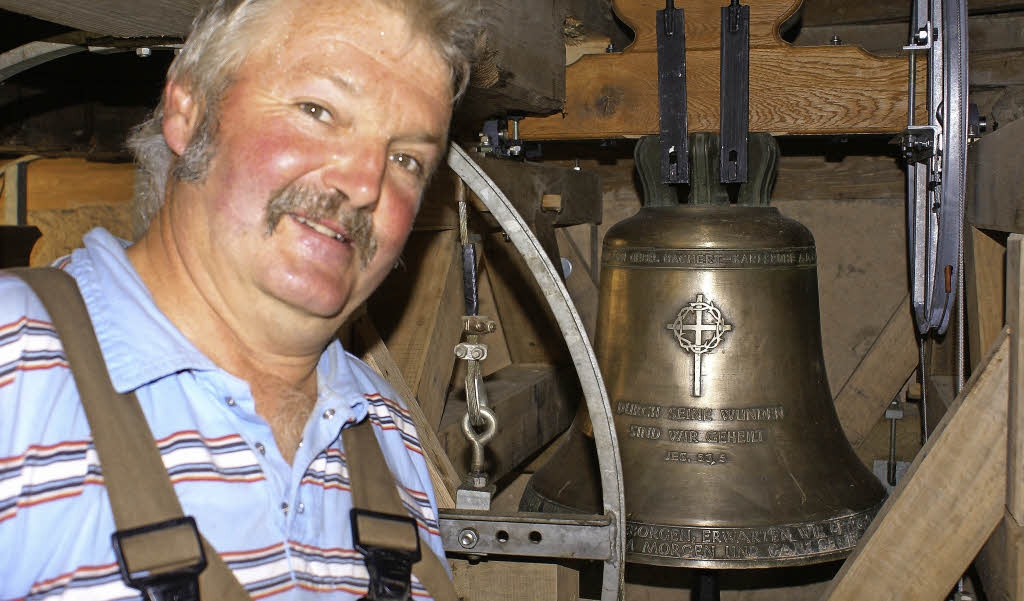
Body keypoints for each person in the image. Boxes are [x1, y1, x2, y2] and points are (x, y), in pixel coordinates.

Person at [0, 0, 479, 598]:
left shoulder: (383, 428)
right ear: (188, 110)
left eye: (407, 157)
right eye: (318, 110)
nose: (365, 184)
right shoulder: (15, 362)